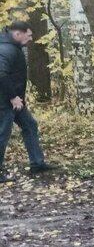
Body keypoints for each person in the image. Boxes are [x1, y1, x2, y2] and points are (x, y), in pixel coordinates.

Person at [0, 21, 57, 182]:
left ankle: (37, 163)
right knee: (2, 134)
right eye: (29, 35)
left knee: (30, 125)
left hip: (14, 101)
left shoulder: (11, 47)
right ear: (18, 34)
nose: (31, 39)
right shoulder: (6, 49)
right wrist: (12, 96)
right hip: (5, 101)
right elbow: (1, 74)